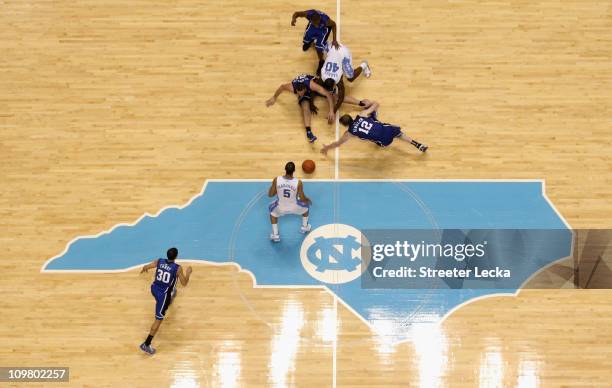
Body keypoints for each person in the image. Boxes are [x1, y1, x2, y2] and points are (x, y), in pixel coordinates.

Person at [320, 101, 428, 155]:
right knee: (399, 134)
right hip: (387, 130)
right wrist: (367, 103)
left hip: (384, 142)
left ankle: (375, 123)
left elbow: (338, 144)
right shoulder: (362, 114)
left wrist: (327, 148)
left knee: (377, 139)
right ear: (351, 117)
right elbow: (377, 103)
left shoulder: (349, 133)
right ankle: (417, 144)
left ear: (344, 125)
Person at [139, 247, 192, 355]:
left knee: (170, 292)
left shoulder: (160, 261)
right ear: (176, 257)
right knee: (158, 319)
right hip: (163, 296)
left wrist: (145, 268)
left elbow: (147, 266)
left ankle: (170, 295)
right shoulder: (177, 268)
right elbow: (184, 283)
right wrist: (188, 273)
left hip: (154, 289)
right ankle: (146, 344)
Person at [266, 74, 335, 143]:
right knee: (305, 108)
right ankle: (309, 133)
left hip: (313, 85)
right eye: (299, 94)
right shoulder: (291, 87)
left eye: (301, 93)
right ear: (296, 90)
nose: (300, 95)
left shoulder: (312, 85)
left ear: (305, 89)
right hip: (306, 90)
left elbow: (327, 94)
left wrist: (331, 110)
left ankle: (334, 92)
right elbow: (282, 87)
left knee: (333, 96)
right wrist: (274, 97)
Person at [321, 42, 372, 112]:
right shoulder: (323, 74)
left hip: (343, 53)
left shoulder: (338, 79)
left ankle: (364, 65)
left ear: (335, 84)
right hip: (332, 49)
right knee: (321, 47)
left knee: (350, 78)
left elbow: (341, 97)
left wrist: (334, 111)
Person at [268, 162, 312, 242]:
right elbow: (302, 197)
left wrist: (274, 186)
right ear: (294, 170)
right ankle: (304, 227)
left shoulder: (277, 179)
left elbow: (270, 195)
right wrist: (307, 200)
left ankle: (275, 235)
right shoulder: (298, 182)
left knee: (272, 214)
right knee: (306, 208)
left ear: (285, 169)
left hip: (280, 207)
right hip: (294, 207)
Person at [291, 9, 338, 75]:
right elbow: (296, 13)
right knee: (306, 39)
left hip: (323, 29)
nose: (316, 25)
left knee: (318, 47)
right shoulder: (308, 14)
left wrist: (334, 40)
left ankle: (321, 61)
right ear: (310, 19)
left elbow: (334, 25)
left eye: (317, 22)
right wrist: (293, 19)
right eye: (315, 23)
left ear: (319, 19)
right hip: (312, 27)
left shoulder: (326, 21)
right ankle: (309, 42)